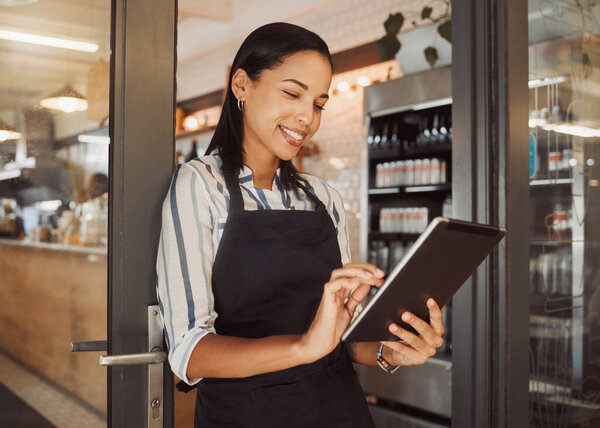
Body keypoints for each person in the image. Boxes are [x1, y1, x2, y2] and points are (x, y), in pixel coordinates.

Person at [156, 22, 445, 428]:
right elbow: (189, 353)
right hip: (245, 418)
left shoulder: (324, 198)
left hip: (339, 412)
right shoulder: (199, 185)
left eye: (319, 103)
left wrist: (387, 351)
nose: (307, 117)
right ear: (242, 85)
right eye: (292, 93)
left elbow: (343, 338)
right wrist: (304, 346)